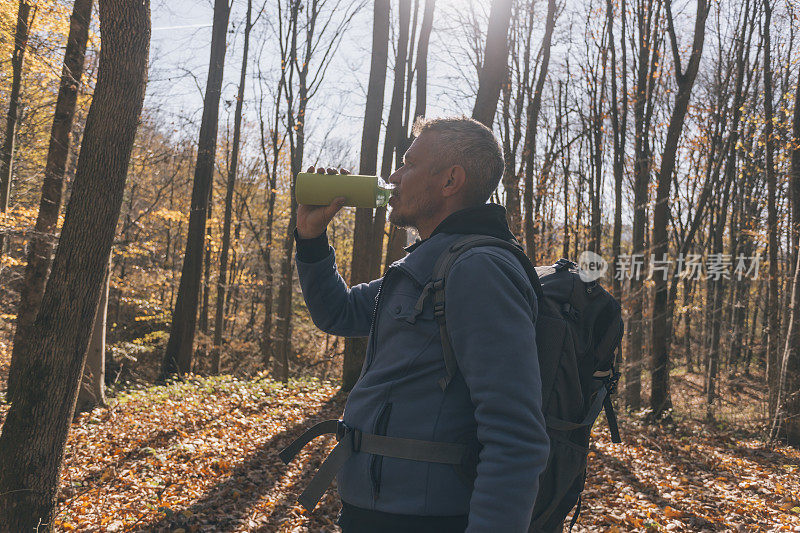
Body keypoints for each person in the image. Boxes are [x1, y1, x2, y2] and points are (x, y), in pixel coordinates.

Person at [293, 116, 550, 532]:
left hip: (424, 519)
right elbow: (337, 312)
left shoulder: (479, 268)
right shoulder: (425, 263)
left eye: (409, 164)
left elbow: (515, 435)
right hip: (373, 511)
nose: (394, 176)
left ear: (450, 181)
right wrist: (311, 236)